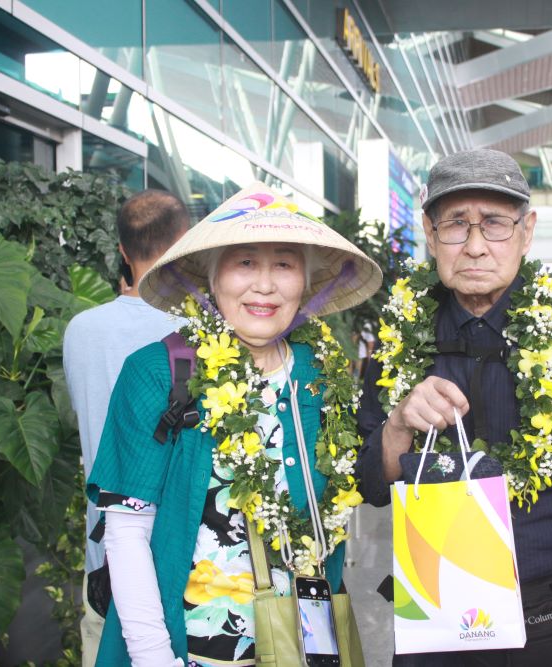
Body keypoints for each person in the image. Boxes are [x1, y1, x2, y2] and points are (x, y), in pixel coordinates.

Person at [357, 149, 552, 666]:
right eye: (456, 225)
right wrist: (399, 424)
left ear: (527, 231)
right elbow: (370, 485)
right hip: (438, 616)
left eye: (495, 223)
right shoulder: (399, 334)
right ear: (430, 234)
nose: (475, 246)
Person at [86, 183, 382, 666]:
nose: (264, 285)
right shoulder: (157, 372)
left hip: (305, 646)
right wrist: (155, 658)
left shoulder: (321, 374)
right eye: (245, 262)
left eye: (284, 264)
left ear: (305, 281)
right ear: (211, 275)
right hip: (192, 651)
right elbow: (126, 533)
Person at [64, 189, 190, 666]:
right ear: (187, 242)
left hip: (105, 560)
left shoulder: (81, 329)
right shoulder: (201, 334)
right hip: (185, 562)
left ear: (122, 250)